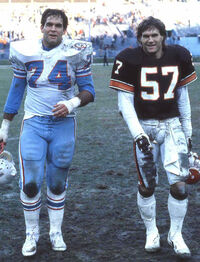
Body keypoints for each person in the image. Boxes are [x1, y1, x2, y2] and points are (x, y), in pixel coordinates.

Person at [0, 8, 95, 257]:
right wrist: (5, 125)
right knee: (30, 183)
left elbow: (89, 91)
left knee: (56, 182)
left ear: (65, 30)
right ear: (41, 27)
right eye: (49, 24)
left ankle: (55, 231)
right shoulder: (26, 52)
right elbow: (17, 88)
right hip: (33, 123)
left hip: (64, 124)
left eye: (58, 25)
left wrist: (71, 103)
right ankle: (31, 233)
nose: (53, 28)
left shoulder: (77, 52)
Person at [109, 16, 197, 258]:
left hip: (172, 126)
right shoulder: (128, 59)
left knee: (179, 185)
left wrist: (187, 132)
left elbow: (183, 96)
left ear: (163, 37)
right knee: (147, 185)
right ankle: (152, 231)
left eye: (154, 35)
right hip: (144, 126)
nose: (150, 39)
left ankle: (175, 234)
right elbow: (124, 103)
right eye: (145, 36)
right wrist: (138, 134)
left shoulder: (178, 55)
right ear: (139, 39)